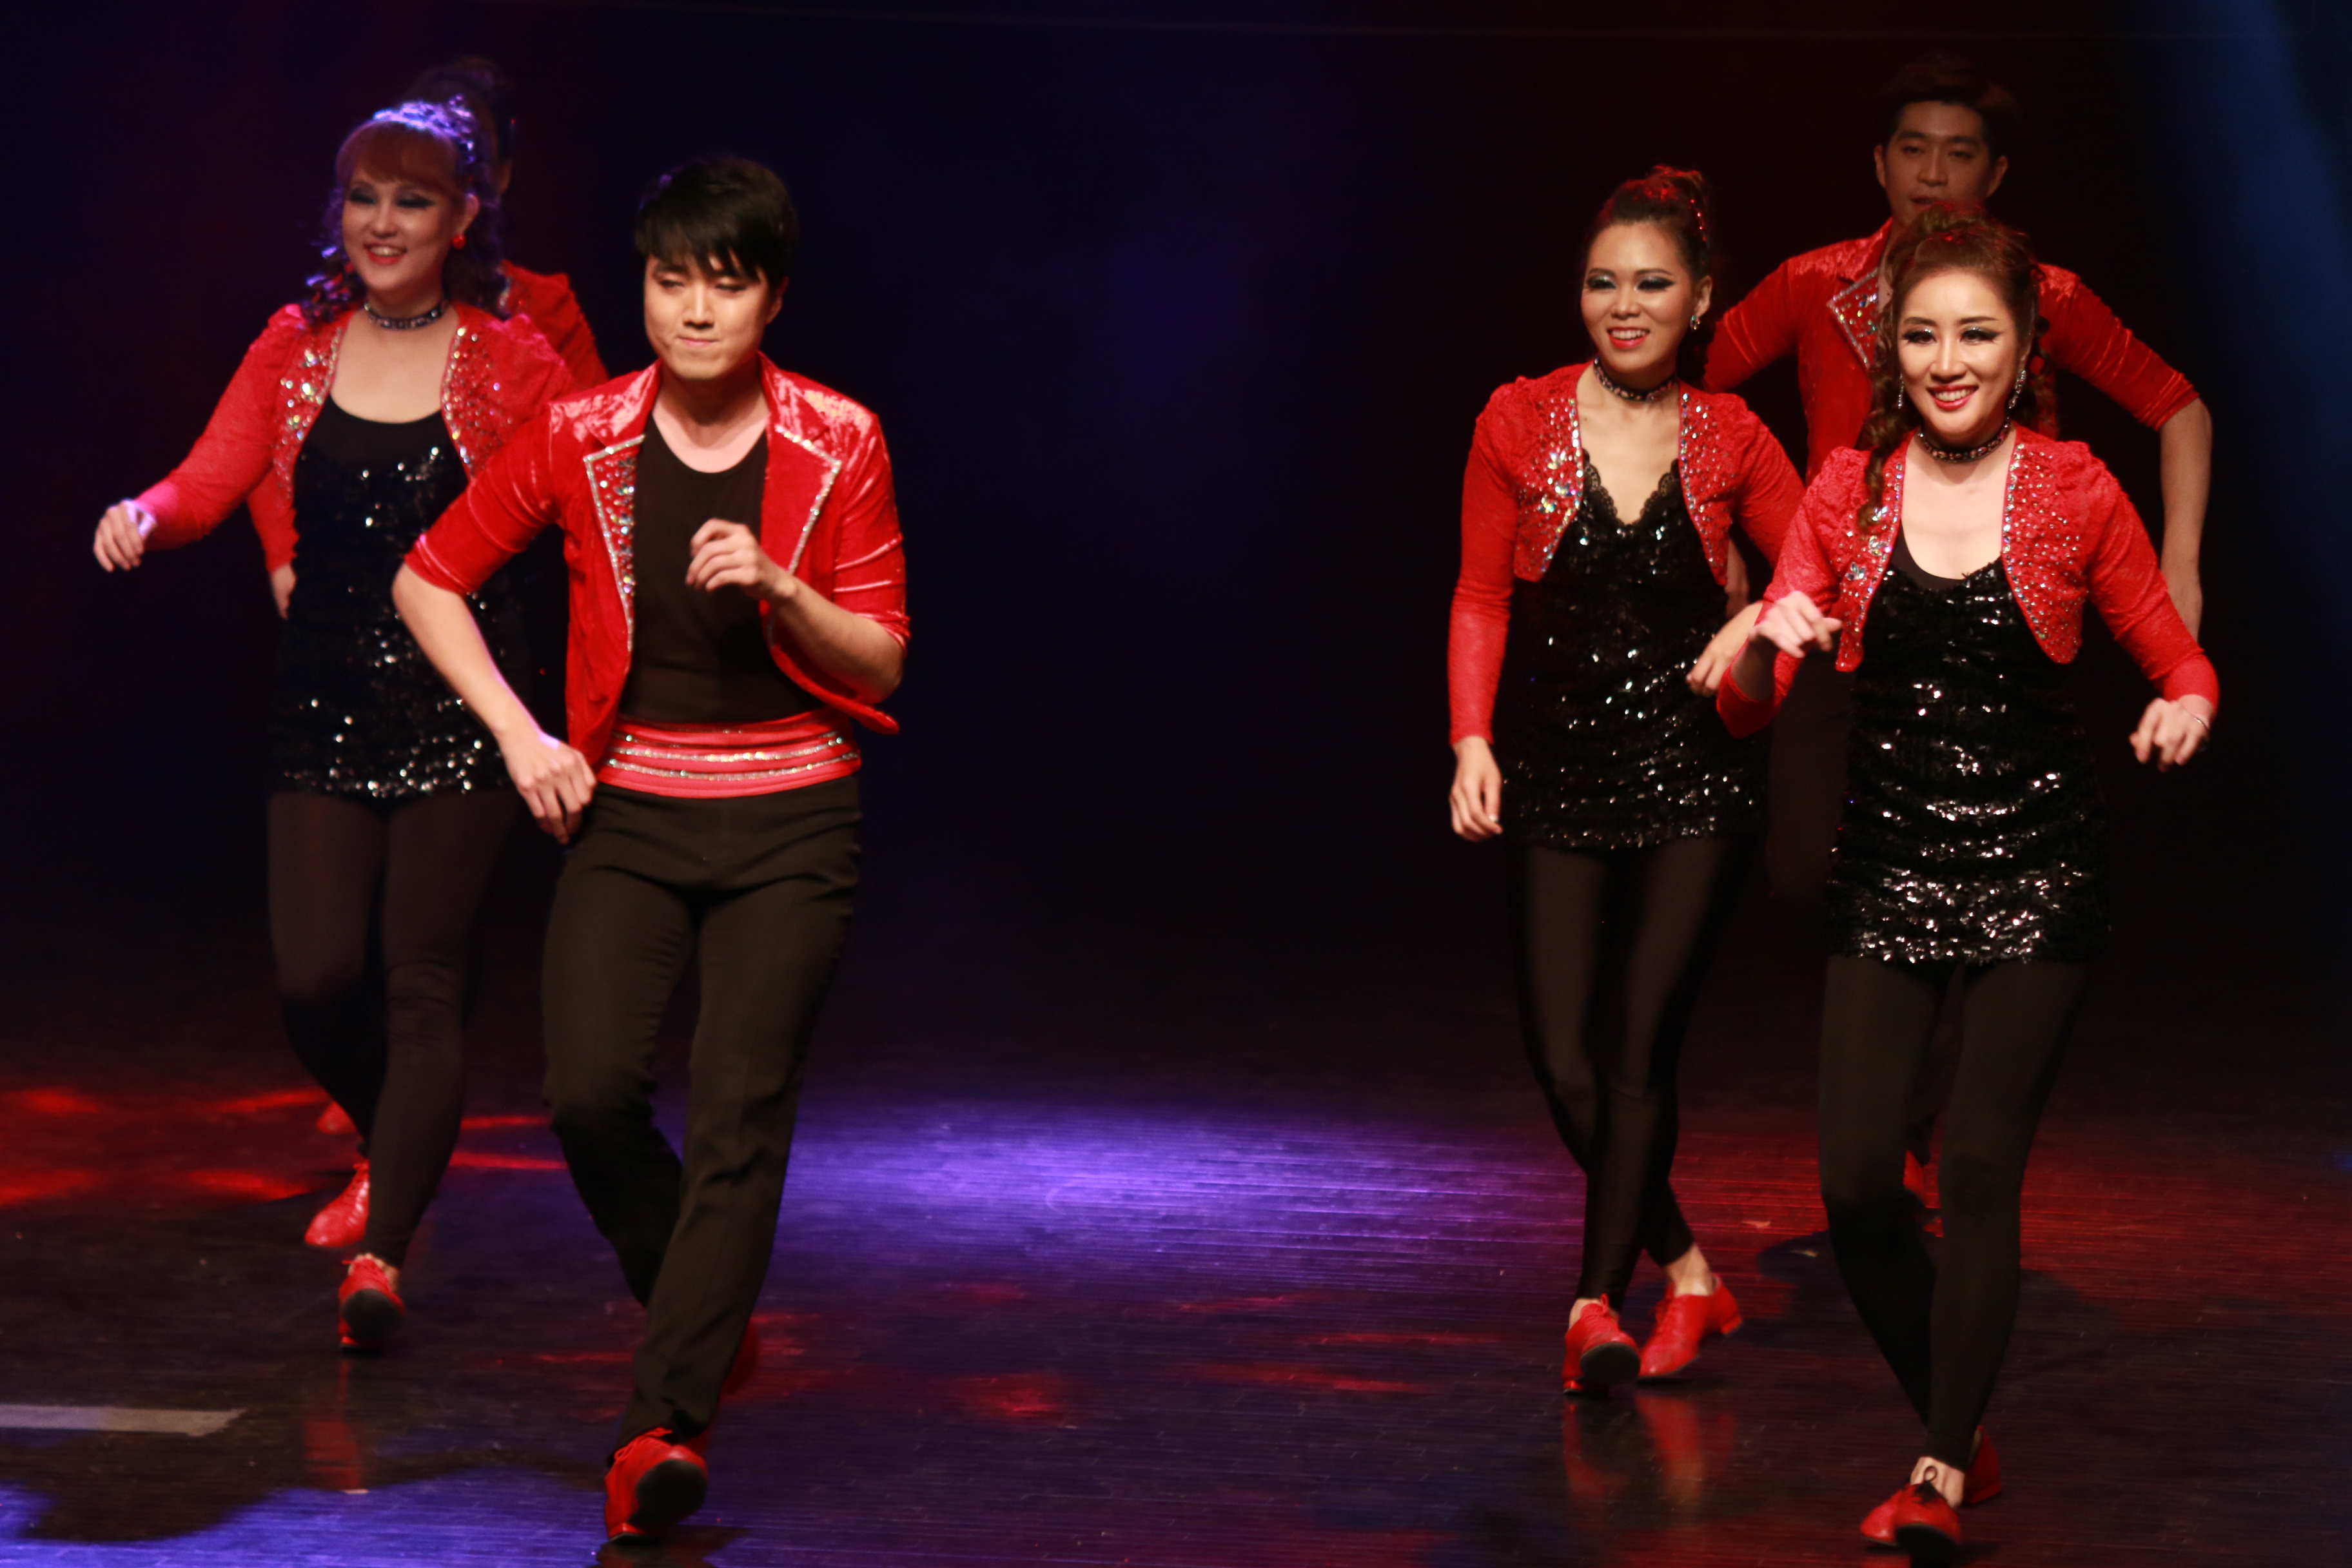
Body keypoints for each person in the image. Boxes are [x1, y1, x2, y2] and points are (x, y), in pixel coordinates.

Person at [393, 155, 908, 1545]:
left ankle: (660, 1428)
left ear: (772, 298)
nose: (691, 310)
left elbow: (881, 658)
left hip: (794, 818)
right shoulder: (583, 431)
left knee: (741, 1113)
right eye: (669, 281)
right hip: (629, 810)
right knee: (586, 1094)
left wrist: (783, 586)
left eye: (723, 286)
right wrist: (524, 739)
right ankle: (703, 1309)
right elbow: (428, 577)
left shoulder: (838, 438)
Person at [1718, 205, 2214, 1558]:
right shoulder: (1845, 491)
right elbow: (1752, 697)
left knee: (1981, 1167)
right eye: (1923, 335)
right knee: (1856, 1195)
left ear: (2022, 345)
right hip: (1889, 866)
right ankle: (1962, 1421)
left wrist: (2186, 702)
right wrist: (1769, 635)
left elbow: (2176, 658)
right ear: (1891, 347)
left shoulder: (2075, 486)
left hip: (2038, 869)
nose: (1948, 361)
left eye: (1976, 335)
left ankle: (1938, 1464)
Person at [90, 102, 571, 1346]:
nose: (382, 223)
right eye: (364, 198)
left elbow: (586, 511)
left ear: (462, 219)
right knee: (313, 980)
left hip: (463, 696)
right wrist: (143, 513)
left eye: (412, 200)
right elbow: (210, 476)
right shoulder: (294, 346)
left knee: (423, 981)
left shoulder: (514, 362)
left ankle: (383, 1257)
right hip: (328, 690)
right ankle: (391, 1130)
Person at [1703, 50, 2214, 1188]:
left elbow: (2178, 405)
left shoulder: (2041, 299)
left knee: (2002, 883)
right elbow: (1701, 394)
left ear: (1996, 173)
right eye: (1913, 150)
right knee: (1802, 872)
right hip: (1839, 618)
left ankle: (1921, 1116)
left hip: (1988, 638)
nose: (1934, 174)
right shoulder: (1814, 283)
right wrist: (1742, 547)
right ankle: (1902, 1080)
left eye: (1959, 153)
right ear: (1878, 164)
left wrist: (2179, 567)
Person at [1448, 169, 1803, 1397]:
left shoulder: (1733, 436)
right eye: (1603, 282)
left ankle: (1592, 1303)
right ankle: (1688, 1270)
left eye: (1651, 283)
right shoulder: (1515, 418)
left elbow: (1825, 567)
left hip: (1693, 776)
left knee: (1638, 1049)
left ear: (1699, 301)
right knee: (1563, 1059)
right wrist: (1470, 739)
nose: (1623, 304)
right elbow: (1479, 595)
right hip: (1555, 766)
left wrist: (1754, 612)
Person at [407, 55, 609, 391]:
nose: (444, 181)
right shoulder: (337, 305)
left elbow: (594, 422)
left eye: (468, 160)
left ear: (502, 175)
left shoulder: (547, 311)